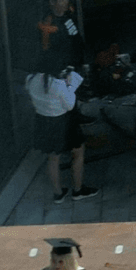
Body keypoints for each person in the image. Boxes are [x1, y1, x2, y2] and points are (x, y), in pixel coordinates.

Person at [28, 61, 96, 202]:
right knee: (78, 152)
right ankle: (78, 190)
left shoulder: (30, 79)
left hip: (44, 122)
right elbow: (70, 105)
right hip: (63, 122)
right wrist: (70, 85)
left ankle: (58, 194)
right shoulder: (57, 85)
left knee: (53, 157)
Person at [37, 0, 83, 72]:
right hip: (55, 68)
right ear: (52, 2)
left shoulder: (68, 19)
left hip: (71, 66)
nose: (66, 1)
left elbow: (77, 41)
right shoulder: (46, 22)